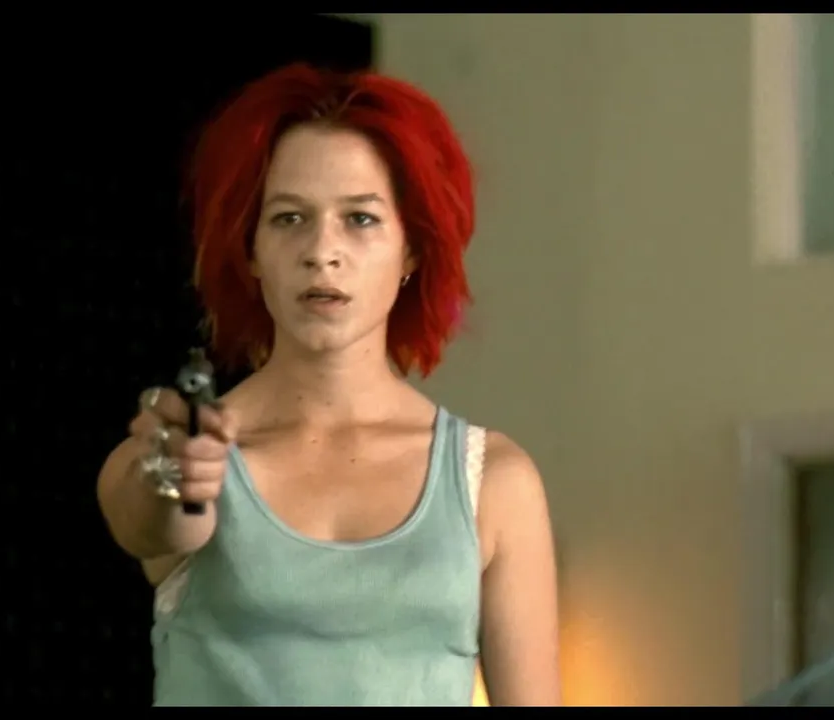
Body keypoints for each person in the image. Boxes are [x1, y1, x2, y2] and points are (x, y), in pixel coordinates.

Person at [96, 62, 560, 707]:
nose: (322, 251)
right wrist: (174, 476)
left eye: (361, 219)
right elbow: (153, 522)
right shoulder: (183, 452)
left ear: (412, 249)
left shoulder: (494, 480)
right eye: (289, 218)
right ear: (250, 249)